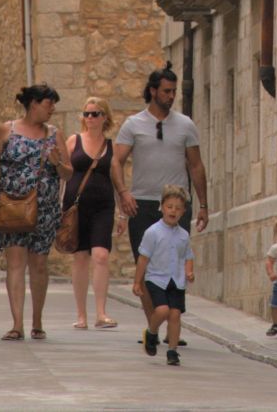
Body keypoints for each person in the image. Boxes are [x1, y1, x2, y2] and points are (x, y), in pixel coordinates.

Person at [0, 84, 73, 341]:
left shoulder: (54, 135)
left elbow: (68, 173)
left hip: (44, 208)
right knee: (15, 263)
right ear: (33, 103)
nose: (53, 109)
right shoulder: (6, 131)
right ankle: (17, 324)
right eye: (49, 104)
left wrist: (58, 163)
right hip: (10, 205)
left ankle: (37, 321)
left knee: (39, 264)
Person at [112, 62, 209, 341]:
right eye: (166, 91)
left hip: (177, 204)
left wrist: (202, 204)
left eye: (174, 91)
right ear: (153, 91)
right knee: (145, 267)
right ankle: (153, 325)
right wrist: (123, 193)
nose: (171, 96)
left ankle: (171, 329)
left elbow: (196, 166)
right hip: (141, 203)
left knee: (175, 266)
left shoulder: (185, 125)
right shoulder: (133, 125)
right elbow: (116, 162)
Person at [63, 97, 125, 330]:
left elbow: (118, 180)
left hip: (103, 207)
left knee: (100, 255)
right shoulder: (73, 141)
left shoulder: (111, 147)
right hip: (76, 208)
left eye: (95, 114)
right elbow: (62, 172)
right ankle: (81, 316)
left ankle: (101, 313)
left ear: (105, 118)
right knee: (80, 258)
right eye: (87, 114)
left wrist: (123, 214)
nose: (90, 118)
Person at [132, 185, 195, 366]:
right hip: (156, 279)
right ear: (162, 207)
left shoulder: (183, 235)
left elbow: (188, 256)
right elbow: (143, 259)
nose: (173, 211)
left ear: (183, 211)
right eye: (169, 206)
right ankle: (152, 332)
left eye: (177, 208)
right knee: (162, 310)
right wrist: (138, 282)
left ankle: (172, 351)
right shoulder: (153, 232)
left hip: (176, 280)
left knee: (175, 315)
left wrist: (189, 272)